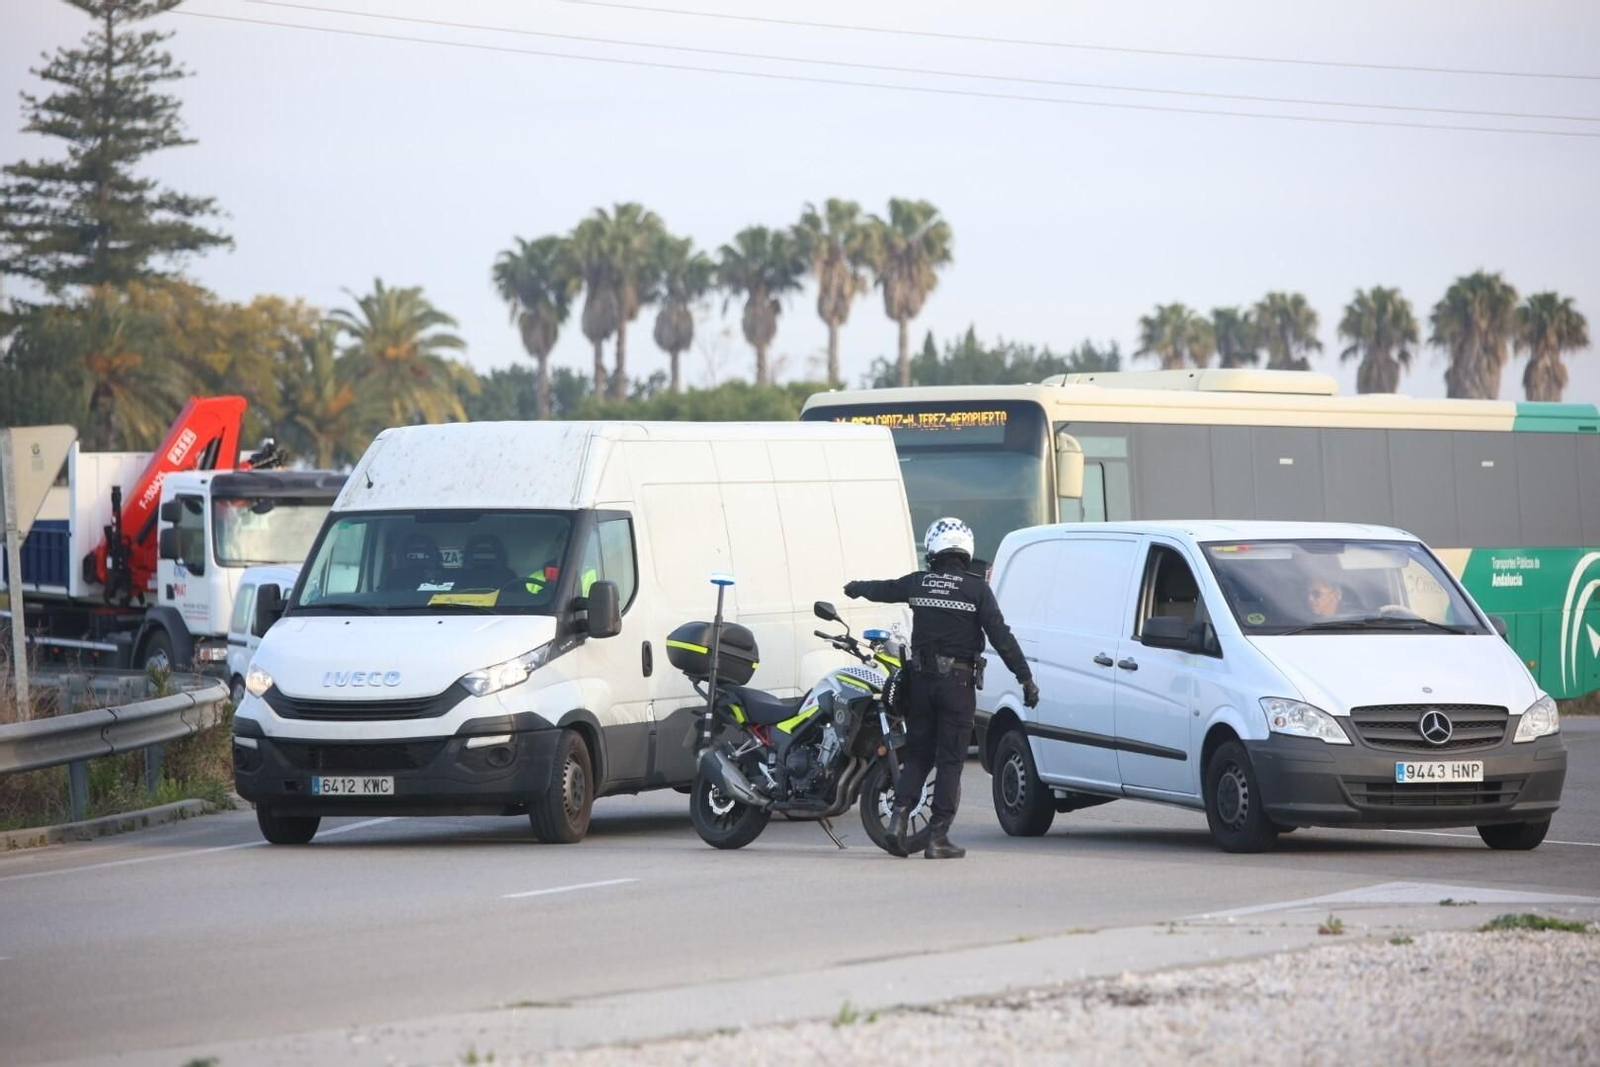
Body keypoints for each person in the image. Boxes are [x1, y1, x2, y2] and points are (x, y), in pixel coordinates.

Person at [844, 517, 1039, 859]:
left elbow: (885, 588)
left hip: (920, 683)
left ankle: (898, 820)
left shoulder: (920, 583)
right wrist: (1025, 678)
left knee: (919, 755)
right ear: (966, 551)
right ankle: (937, 838)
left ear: (933, 550)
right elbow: (1002, 638)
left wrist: (856, 586)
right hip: (957, 685)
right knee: (949, 762)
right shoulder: (976, 589)